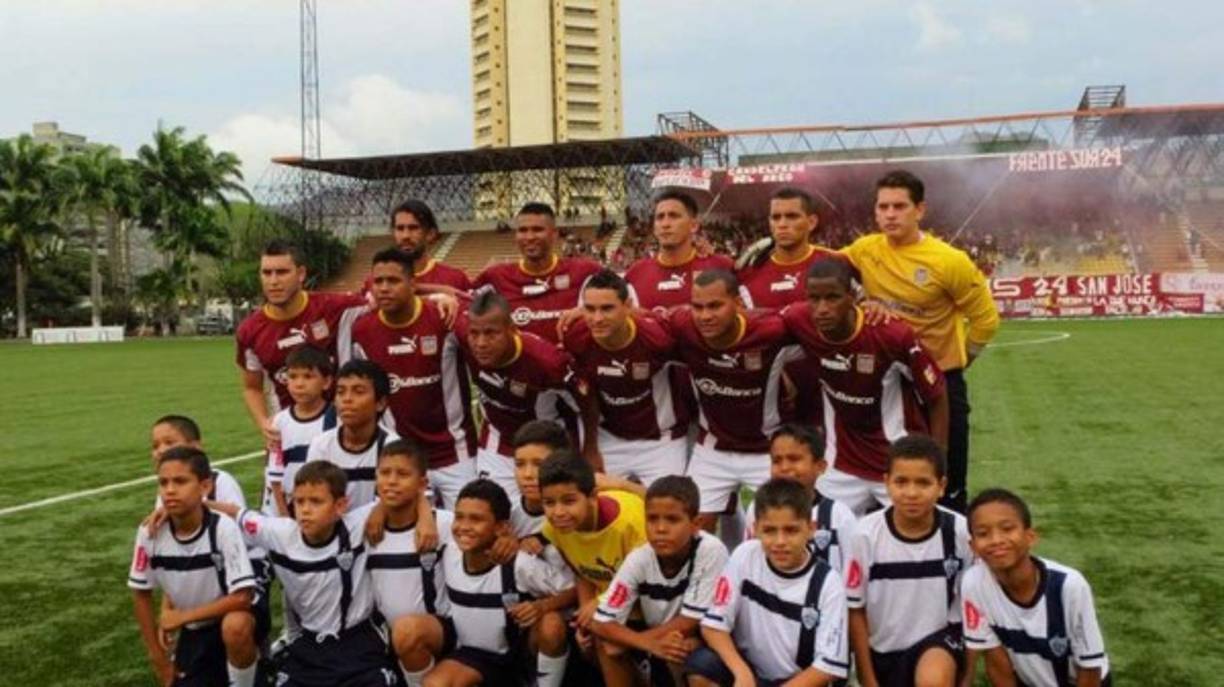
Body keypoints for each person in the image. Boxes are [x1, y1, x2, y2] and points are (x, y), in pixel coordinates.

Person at [841, 171, 1000, 512]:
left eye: (899, 206)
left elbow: (986, 320)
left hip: (940, 384)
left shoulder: (949, 261)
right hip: (888, 387)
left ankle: (954, 554)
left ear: (920, 210)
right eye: (883, 206)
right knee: (888, 478)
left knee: (947, 481)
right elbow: (821, 269)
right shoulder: (864, 250)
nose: (890, 214)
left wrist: (960, 361)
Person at [782, 258, 949, 515]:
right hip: (841, 463)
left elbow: (936, 395)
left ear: (852, 297)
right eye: (814, 299)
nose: (822, 308)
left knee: (909, 539)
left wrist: (938, 458)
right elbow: (758, 328)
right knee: (825, 538)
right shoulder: (799, 319)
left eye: (832, 298)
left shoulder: (892, 335)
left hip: (898, 461)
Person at [211, 461, 399, 686]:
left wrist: (422, 515)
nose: (305, 509)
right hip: (309, 643)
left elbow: (402, 492)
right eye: (299, 501)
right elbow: (235, 514)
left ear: (340, 506)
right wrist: (181, 507)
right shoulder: (280, 534)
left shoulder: (358, 525)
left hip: (359, 640)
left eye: (316, 501)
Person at [662, 269, 803, 537]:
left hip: (767, 450)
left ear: (738, 304)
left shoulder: (771, 331)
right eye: (698, 307)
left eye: (715, 306)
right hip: (713, 448)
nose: (705, 316)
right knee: (691, 532)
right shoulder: (683, 327)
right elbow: (639, 318)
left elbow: (825, 328)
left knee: (775, 530)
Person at [399, 479, 575, 687]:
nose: (464, 527)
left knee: (552, 624)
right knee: (430, 675)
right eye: (459, 517)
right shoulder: (449, 550)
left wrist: (541, 606)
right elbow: (400, 508)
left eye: (476, 519)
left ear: (501, 527)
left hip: (518, 656)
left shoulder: (518, 564)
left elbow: (573, 590)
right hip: (473, 657)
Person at [343, 246, 477, 508]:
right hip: (399, 456)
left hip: (454, 453)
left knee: (468, 529)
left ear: (412, 283)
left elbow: (483, 313)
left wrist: (446, 296)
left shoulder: (442, 316)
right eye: (378, 281)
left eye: (393, 280)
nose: (384, 288)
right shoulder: (362, 329)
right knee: (408, 538)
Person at [685, 478, 850, 687]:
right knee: (702, 665)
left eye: (791, 530)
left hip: (797, 681)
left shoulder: (828, 583)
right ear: (756, 529)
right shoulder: (745, 555)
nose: (780, 541)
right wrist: (741, 672)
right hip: (751, 672)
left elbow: (827, 667)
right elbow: (713, 627)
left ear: (811, 529)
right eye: (770, 530)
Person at [846, 435, 973, 687]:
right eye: (901, 482)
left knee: (932, 680)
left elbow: (973, 607)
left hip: (939, 642)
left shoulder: (959, 531)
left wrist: (966, 678)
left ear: (941, 485)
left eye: (923, 483)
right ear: (886, 483)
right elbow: (855, 609)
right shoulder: (864, 535)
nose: (911, 493)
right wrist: (867, 677)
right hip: (882, 650)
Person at [129, 447, 260, 687]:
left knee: (236, 625)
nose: (169, 490)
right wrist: (158, 657)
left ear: (205, 487)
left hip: (229, 620)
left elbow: (242, 598)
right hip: (194, 630)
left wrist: (180, 616)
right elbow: (140, 592)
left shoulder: (222, 527)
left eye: (180, 481)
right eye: (163, 482)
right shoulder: (149, 533)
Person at [455, 289, 596, 499]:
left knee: (549, 512)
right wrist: (441, 296)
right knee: (490, 509)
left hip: (546, 447)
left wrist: (590, 450)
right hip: (499, 441)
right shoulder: (465, 335)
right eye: (474, 334)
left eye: (491, 333)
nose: (481, 343)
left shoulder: (549, 363)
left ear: (512, 329)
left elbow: (586, 402)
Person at [961, 489, 1110, 687]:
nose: (996, 540)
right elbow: (997, 662)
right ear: (973, 547)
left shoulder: (1069, 585)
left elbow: (1090, 666)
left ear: (1030, 537)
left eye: (1007, 529)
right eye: (983, 533)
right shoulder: (974, 582)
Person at [591, 476, 729, 686]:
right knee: (608, 643)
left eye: (672, 519)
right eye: (652, 519)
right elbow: (600, 622)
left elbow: (691, 621)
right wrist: (646, 643)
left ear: (695, 524)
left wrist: (644, 643)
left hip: (705, 638)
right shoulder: (640, 557)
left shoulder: (710, 550)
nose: (661, 529)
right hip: (660, 636)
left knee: (680, 647)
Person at [236, 239, 367, 448]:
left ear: (301, 274)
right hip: (289, 436)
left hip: (341, 432)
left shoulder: (333, 308)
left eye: (282, 272)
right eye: (266, 273)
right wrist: (264, 423)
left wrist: (439, 300)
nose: (273, 281)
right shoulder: (250, 331)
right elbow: (252, 387)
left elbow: (386, 299)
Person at [563, 269, 688, 486]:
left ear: (628, 307)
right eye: (590, 309)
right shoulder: (576, 336)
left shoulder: (657, 338)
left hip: (661, 440)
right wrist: (590, 447)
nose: (597, 318)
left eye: (607, 308)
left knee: (668, 509)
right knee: (600, 510)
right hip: (609, 438)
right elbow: (585, 393)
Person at [539, 452, 647, 685]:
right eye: (549, 503)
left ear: (593, 497)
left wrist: (600, 604)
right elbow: (581, 572)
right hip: (613, 607)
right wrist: (585, 615)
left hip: (651, 604)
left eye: (569, 501)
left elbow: (648, 579)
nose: (558, 512)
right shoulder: (553, 528)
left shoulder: (630, 521)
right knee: (591, 641)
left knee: (608, 639)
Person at [360, 440, 455, 684]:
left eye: (402, 474)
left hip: (437, 631)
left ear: (422, 483)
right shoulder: (363, 526)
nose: (391, 481)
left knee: (407, 631)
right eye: (384, 473)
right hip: (382, 635)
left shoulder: (443, 524)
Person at [473, 202, 603, 344]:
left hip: (573, 364)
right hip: (522, 364)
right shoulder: (496, 277)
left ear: (554, 234)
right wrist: (444, 295)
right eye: (523, 230)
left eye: (537, 230)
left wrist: (589, 310)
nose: (529, 237)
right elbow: (460, 300)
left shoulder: (585, 271)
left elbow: (624, 304)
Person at [744, 424, 858, 583]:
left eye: (794, 459)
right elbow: (751, 560)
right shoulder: (757, 508)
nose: (784, 468)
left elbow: (853, 574)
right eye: (777, 460)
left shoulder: (839, 515)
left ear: (820, 466)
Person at [304, 359, 399, 508]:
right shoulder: (322, 445)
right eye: (341, 392)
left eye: (358, 392)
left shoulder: (392, 447)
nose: (347, 399)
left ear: (380, 403)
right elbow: (312, 498)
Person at [624, 190, 734, 313]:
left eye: (674, 216)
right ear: (654, 228)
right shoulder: (636, 273)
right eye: (660, 217)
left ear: (693, 226)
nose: (665, 224)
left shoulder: (721, 266)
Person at [737, 187, 846, 311]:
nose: (782, 224)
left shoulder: (835, 263)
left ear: (812, 222)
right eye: (776, 217)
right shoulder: (749, 272)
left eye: (792, 216)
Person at [267, 345, 337, 516]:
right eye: (292, 377)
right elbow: (275, 474)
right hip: (290, 506)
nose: (299, 384)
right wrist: (284, 514)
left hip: (325, 506)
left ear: (326, 382)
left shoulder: (336, 418)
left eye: (308, 376)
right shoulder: (280, 421)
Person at [377, 199, 472, 296]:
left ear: (430, 234)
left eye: (413, 228)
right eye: (400, 228)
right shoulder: (377, 281)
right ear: (393, 233)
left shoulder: (455, 278)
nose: (405, 236)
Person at [149, 414, 246, 507]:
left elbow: (238, 518)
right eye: (155, 446)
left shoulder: (220, 481)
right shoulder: (165, 487)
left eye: (169, 443)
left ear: (195, 447)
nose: (161, 451)